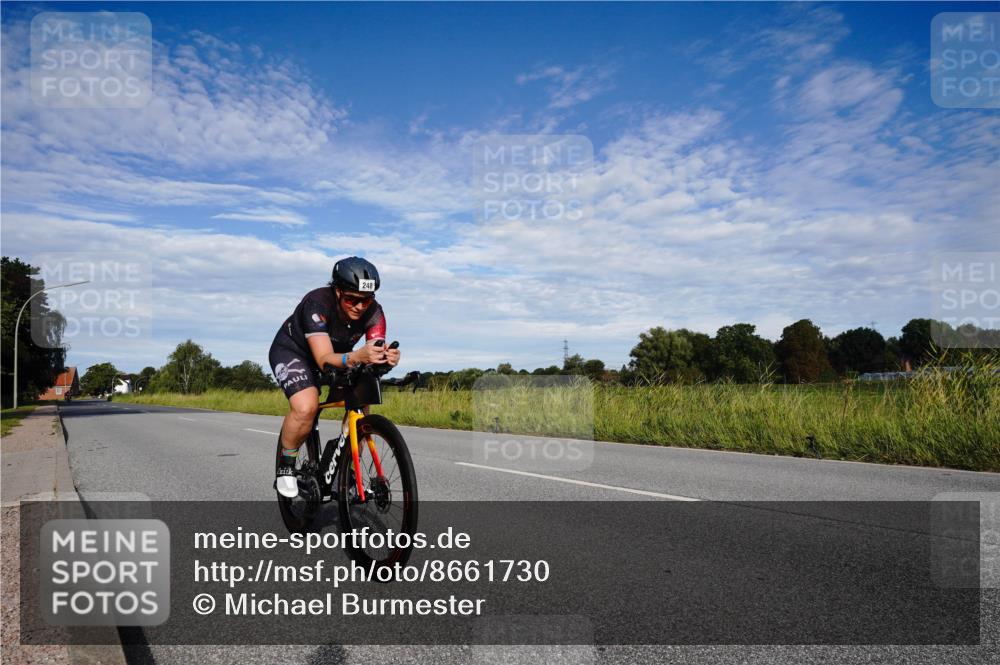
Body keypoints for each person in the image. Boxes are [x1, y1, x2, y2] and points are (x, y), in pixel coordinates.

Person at [268, 256, 400, 497]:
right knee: (306, 407)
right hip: (294, 353)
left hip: (339, 356)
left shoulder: (375, 313)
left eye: (366, 300)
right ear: (338, 291)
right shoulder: (317, 303)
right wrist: (357, 356)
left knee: (361, 403)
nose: (360, 307)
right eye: (352, 299)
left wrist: (385, 359)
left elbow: (372, 353)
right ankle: (286, 464)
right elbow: (323, 359)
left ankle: (347, 469)